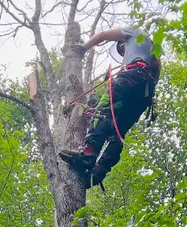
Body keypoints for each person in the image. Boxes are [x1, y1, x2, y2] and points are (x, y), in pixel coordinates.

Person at [59, 25, 160, 186]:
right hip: (144, 93)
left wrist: (83, 48)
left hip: (131, 76)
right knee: (117, 132)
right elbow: (157, 67)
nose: (124, 53)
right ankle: (98, 171)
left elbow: (103, 35)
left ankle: (88, 153)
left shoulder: (134, 34)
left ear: (122, 43)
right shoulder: (152, 49)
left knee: (103, 110)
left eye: (122, 50)